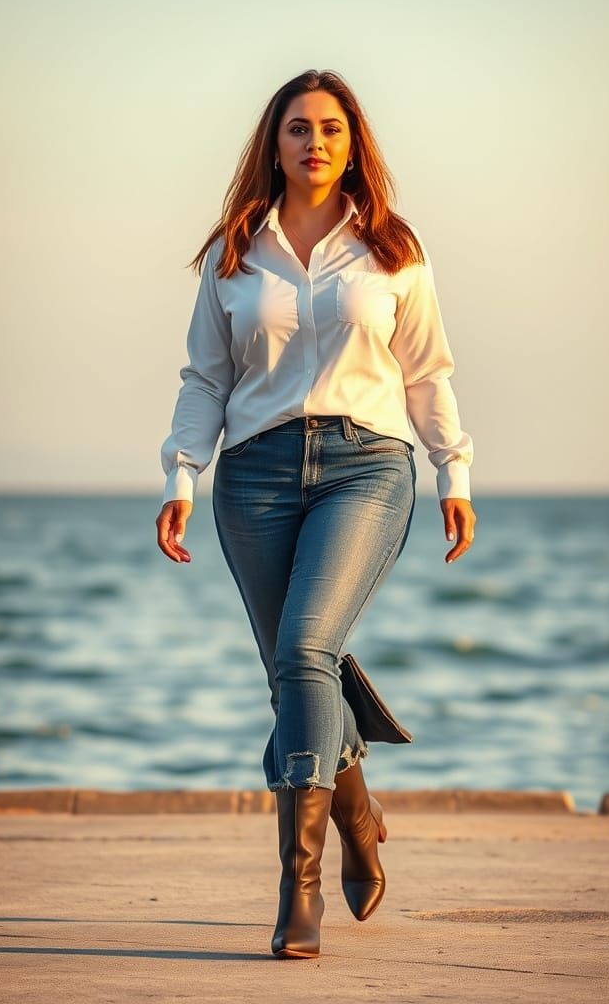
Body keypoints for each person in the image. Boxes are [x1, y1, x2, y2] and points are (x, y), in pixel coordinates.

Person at [156, 68, 476, 960]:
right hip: (252, 473)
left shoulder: (392, 247)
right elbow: (205, 378)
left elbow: (427, 371)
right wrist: (181, 478)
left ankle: (299, 893)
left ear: (352, 141)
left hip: (366, 467)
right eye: (298, 128)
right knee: (296, 671)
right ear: (275, 143)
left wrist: (454, 470)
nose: (315, 142)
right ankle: (358, 809)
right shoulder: (234, 250)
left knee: (304, 650)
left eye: (330, 128)